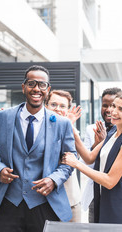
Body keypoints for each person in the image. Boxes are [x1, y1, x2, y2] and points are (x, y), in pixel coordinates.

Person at [0, 65, 76, 232]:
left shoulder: (62, 123)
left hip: (45, 203)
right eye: (31, 83)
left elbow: (70, 157)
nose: (36, 89)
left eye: (42, 85)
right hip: (8, 202)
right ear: (23, 87)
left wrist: (54, 180)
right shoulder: (4, 116)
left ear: (48, 89)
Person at [62, 91, 122, 232]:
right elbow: (89, 157)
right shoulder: (113, 132)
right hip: (105, 198)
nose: (113, 111)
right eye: (113, 106)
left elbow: (110, 181)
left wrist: (76, 163)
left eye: (121, 109)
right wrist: (71, 128)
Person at [82, 87, 122, 222]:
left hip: (120, 194)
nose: (109, 109)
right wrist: (97, 145)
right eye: (105, 105)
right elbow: (87, 165)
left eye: (113, 105)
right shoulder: (91, 129)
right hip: (96, 195)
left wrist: (105, 142)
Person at [45, 90, 82, 222]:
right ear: (46, 106)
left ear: (67, 110)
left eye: (62, 106)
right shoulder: (37, 127)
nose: (58, 109)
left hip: (69, 199)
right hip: (42, 200)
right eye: (53, 104)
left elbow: (77, 156)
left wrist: (69, 125)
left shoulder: (71, 129)